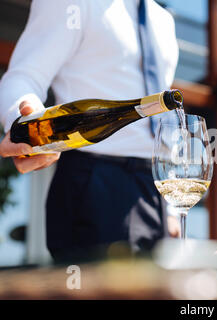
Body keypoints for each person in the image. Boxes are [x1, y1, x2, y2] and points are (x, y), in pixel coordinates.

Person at [0, 0, 181, 263]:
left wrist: (172, 207)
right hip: (92, 179)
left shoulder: (164, 20)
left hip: (156, 184)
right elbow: (24, 76)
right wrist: (25, 126)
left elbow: (161, 112)